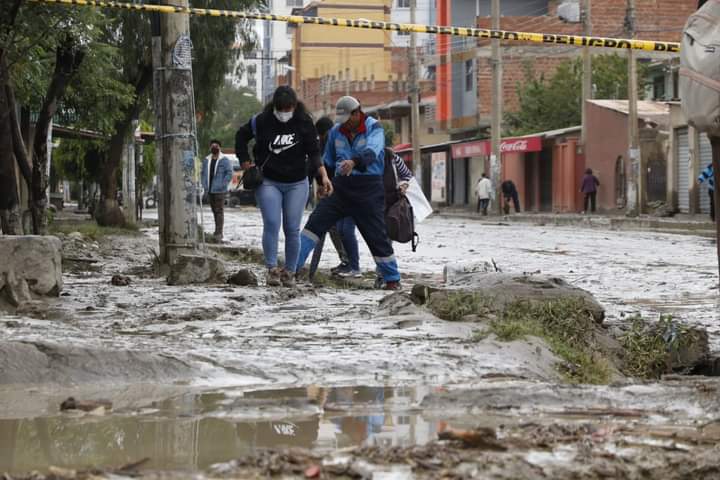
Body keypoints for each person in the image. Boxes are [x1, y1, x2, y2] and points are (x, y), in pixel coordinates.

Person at [294, 96, 402, 290]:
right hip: (340, 188)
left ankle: (392, 279)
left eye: (347, 119)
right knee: (314, 224)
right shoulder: (336, 132)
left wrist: (354, 162)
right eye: (341, 121)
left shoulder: (374, 127)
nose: (345, 124)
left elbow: (372, 152)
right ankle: (291, 268)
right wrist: (322, 182)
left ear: (357, 113)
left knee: (376, 236)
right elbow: (327, 161)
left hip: (368, 188)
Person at [235, 86, 333, 287]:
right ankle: (272, 269)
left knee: (292, 228)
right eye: (280, 109)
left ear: (294, 106)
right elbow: (240, 137)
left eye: (288, 109)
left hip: (297, 182)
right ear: (274, 106)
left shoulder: (304, 122)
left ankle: (290, 271)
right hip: (268, 181)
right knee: (272, 223)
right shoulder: (261, 121)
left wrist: (323, 176)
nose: (284, 113)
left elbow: (314, 153)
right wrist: (246, 163)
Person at [201, 139, 233, 241]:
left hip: (220, 190)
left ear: (219, 147)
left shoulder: (224, 160)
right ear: (210, 148)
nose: (214, 148)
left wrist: (223, 184)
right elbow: (203, 173)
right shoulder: (206, 160)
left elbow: (229, 173)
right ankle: (216, 231)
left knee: (219, 211)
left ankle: (219, 233)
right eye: (212, 146)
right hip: (209, 189)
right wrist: (204, 185)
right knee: (214, 210)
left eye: (216, 146)